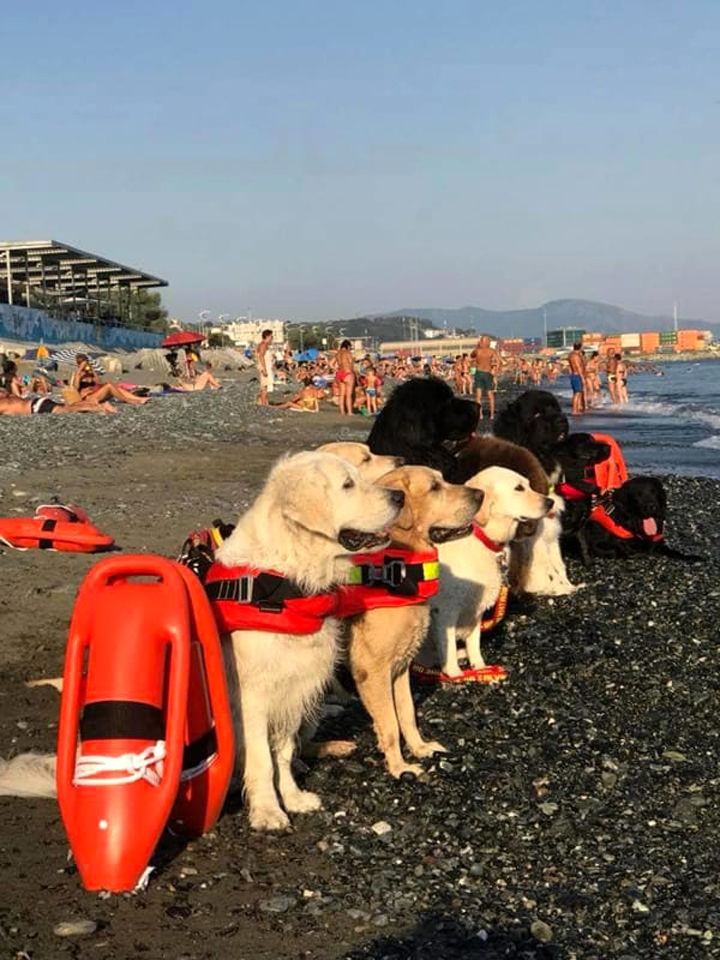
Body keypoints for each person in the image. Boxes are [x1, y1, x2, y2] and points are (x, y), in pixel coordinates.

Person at [71, 354, 148, 405]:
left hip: (97, 394)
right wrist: (80, 372)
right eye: (83, 363)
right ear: (79, 364)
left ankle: (138, 398)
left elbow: (98, 382)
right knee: (109, 385)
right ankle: (129, 400)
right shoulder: (78, 374)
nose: (85, 365)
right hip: (88, 398)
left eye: (87, 362)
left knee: (115, 386)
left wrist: (93, 371)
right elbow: (75, 388)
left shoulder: (90, 373)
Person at [470, 335, 500, 420]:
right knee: (490, 395)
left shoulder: (477, 350)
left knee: (479, 396)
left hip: (479, 373)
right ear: (487, 342)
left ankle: (480, 415)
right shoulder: (491, 351)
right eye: (489, 341)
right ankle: (492, 415)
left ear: (482, 342)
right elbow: (498, 362)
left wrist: (477, 347)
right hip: (487, 373)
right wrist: (495, 371)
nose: (490, 343)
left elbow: (472, 356)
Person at [0, 395, 117, 416]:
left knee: (68, 411)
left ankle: (97, 407)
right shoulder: (6, 398)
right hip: (37, 401)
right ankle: (93, 403)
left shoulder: (2, 404)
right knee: (67, 407)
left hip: (36, 408)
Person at [335, 339, 355, 416]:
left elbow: (330, 363)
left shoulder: (338, 354)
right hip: (348, 373)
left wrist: (336, 369)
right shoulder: (347, 353)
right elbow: (351, 364)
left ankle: (342, 411)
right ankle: (349, 412)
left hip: (340, 373)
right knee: (349, 394)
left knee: (342, 394)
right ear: (348, 346)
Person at [568, 342, 586, 415]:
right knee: (577, 393)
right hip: (577, 375)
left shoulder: (571, 355)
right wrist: (582, 378)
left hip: (573, 375)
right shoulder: (576, 356)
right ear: (580, 347)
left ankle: (576, 409)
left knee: (576, 393)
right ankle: (574, 411)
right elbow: (578, 367)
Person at [256, 329, 274, 405]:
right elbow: (261, 356)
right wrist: (264, 369)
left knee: (263, 386)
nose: (272, 338)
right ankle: (264, 403)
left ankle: (262, 402)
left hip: (265, 366)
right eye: (271, 336)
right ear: (267, 336)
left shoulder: (261, 344)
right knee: (265, 386)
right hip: (265, 366)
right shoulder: (264, 344)